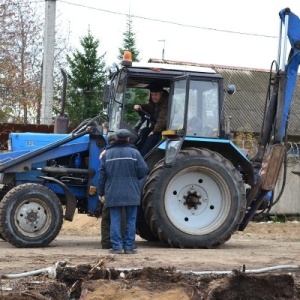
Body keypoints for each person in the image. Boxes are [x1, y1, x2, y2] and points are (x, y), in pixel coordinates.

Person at [98, 129, 149, 254]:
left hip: (113, 192)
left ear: (116, 138)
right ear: (128, 139)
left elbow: (101, 176)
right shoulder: (134, 153)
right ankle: (129, 247)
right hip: (131, 191)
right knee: (131, 220)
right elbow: (144, 170)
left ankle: (117, 247)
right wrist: (132, 178)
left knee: (115, 219)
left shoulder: (107, 154)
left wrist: (101, 192)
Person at [134, 81, 168, 156]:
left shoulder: (166, 103)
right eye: (152, 95)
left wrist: (155, 131)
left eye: (156, 94)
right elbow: (149, 107)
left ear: (161, 94)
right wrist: (140, 107)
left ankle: (142, 157)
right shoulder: (155, 103)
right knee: (145, 131)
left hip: (166, 129)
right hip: (159, 128)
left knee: (152, 137)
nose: (154, 97)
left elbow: (163, 118)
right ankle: (137, 152)